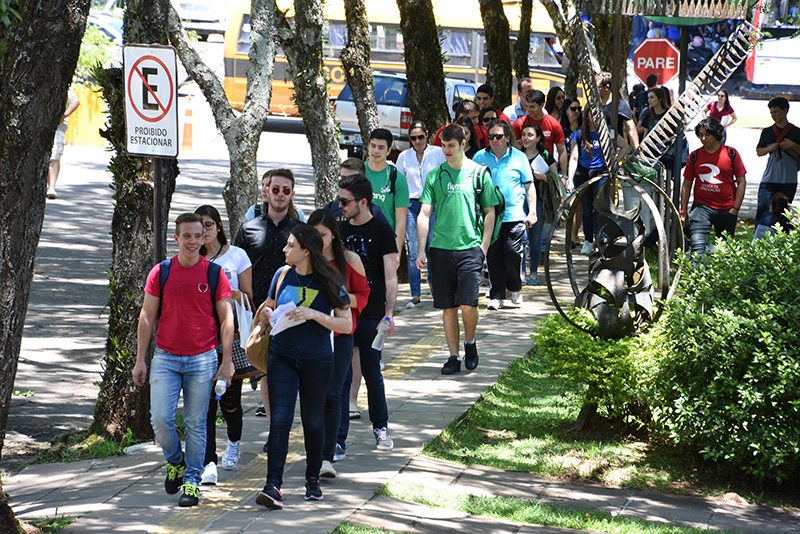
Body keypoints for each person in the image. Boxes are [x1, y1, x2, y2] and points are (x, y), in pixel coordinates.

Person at [132, 213, 234, 508]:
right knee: (160, 419)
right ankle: (175, 460)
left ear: (205, 238)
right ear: (176, 239)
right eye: (186, 236)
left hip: (202, 358)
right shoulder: (162, 271)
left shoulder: (214, 273)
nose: (193, 241)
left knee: (195, 423)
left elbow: (226, 318)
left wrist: (226, 360)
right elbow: (147, 316)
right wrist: (141, 359)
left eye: (197, 236)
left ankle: (192, 480)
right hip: (166, 356)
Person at [254, 224, 351, 509]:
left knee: (312, 420)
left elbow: (346, 323)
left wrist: (313, 314)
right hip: (281, 356)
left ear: (306, 251)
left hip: (317, 360)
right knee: (280, 420)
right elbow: (265, 307)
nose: (285, 249)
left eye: (291, 245)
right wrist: (267, 315)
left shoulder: (329, 280)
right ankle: (273, 485)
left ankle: (312, 479)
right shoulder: (282, 275)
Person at [416, 123, 500, 374]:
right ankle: (453, 357)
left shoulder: (478, 173)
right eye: (443, 145)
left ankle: (470, 344)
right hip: (440, 250)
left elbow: (490, 212)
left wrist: (483, 247)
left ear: (463, 144)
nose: (446, 150)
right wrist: (421, 249)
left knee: (468, 304)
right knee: (448, 307)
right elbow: (424, 213)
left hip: (470, 249)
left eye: (451, 145)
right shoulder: (435, 175)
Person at [233, 168, 302, 435]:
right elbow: (236, 271)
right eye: (276, 190)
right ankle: (276, 431)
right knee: (267, 371)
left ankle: (284, 426)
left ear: (292, 194)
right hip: (257, 312)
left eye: (286, 191)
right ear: (266, 191)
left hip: (293, 311)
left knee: (289, 372)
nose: (281, 195)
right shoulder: (248, 229)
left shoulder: (300, 230)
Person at [307, 209, 369, 480]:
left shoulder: (349, 260)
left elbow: (364, 296)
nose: (319, 240)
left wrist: (340, 299)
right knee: (312, 397)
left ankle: (326, 456)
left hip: (342, 336)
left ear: (334, 234)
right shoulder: (305, 260)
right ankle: (314, 451)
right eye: (314, 235)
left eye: (323, 234)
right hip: (310, 337)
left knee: (333, 394)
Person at [194, 205, 254, 487]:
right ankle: (208, 462)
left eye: (207, 225)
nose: (203, 232)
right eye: (198, 227)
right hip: (201, 339)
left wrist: (225, 292)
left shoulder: (237, 255)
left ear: (218, 226)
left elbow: (248, 298)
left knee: (230, 402)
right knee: (204, 405)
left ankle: (234, 441)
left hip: (231, 337)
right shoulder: (192, 258)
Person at [338, 174, 398, 453]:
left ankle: (381, 428)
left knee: (373, 374)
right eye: (339, 200)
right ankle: (338, 439)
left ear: (363, 202)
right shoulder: (338, 230)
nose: (340, 205)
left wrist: (389, 313)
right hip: (343, 312)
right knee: (341, 376)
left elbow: (390, 277)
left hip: (372, 313)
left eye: (345, 201)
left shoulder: (383, 231)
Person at [473, 119, 537, 310]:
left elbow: (529, 185)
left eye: (498, 136)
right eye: (491, 136)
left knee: (511, 253)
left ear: (507, 137)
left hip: (514, 215)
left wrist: (532, 211)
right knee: (493, 257)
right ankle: (497, 295)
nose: (494, 140)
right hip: (489, 216)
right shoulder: (479, 157)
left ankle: (515, 287)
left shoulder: (519, 157)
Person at [395, 120, 446, 307]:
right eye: (413, 138)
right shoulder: (404, 156)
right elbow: (399, 183)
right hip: (411, 203)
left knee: (432, 246)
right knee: (413, 249)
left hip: (432, 203)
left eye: (420, 137)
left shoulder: (437, 153)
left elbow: (444, 175)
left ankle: (434, 287)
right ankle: (415, 294)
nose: (417, 141)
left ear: (427, 135)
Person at [567, 107, 630, 256]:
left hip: (602, 173)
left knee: (599, 208)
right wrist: (570, 179)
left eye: (598, 114)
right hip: (583, 173)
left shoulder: (607, 131)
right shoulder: (578, 133)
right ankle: (588, 240)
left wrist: (613, 164)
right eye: (592, 113)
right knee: (586, 210)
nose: (595, 116)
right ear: (586, 115)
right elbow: (574, 157)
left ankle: (600, 240)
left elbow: (625, 147)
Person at [680, 117, 747, 258]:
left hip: (727, 209)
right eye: (700, 135)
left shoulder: (731, 154)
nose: (704, 138)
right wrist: (683, 210)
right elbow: (686, 184)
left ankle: (722, 278)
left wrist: (735, 208)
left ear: (716, 133)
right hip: (701, 208)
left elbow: (741, 181)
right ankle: (697, 277)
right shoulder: (694, 156)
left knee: (725, 251)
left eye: (707, 134)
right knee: (697, 248)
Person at [520, 123, 558, 285]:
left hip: (540, 202)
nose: (525, 138)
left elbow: (556, 180)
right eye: (523, 135)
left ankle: (533, 273)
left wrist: (543, 177)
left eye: (530, 135)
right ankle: (521, 273)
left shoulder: (546, 156)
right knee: (521, 239)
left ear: (538, 138)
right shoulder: (517, 155)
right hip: (520, 201)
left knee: (535, 240)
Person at [365, 128, 410, 259]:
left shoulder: (397, 178)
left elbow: (401, 220)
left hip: (384, 245)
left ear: (388, 151)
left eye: (381, 147)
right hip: (358, 241)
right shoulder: (358, 173)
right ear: (368, 146)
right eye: (373, 146)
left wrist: (396, 252)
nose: (376, 151)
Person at [754, 97, 800, 224]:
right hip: (769, 179)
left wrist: (793, 146)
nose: (773, 115)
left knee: (783, 215)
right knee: (762, 211)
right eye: (771, 113)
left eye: (776, 112)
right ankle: (759, 237)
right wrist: (769, 148)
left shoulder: (796, 132)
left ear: (785, 110)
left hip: (788, 180)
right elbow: (759, 151)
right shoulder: (767, 132)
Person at [512, 89, 568, 173]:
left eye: (532, 107)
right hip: (524, 169)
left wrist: (564, 176)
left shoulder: (553, 124)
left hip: (547, 169)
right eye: (527, 106)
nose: (528, 110)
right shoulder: (519, 123)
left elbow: (562, 150)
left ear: (542, 105)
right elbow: (511, 148)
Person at [47, 86, 80, 200]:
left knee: (55, 154)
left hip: (58, 124)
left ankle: (51, 187)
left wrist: (64, 114)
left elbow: (75, 101)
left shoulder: (64, 85)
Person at [596, 71, 640, 150]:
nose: (594, 89)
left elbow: (631, 128)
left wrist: (637, 150)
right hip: (596, 147)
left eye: (597, 86)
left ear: (607, 87)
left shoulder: (620, 104)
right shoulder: (594, 104)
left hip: (615, 148)